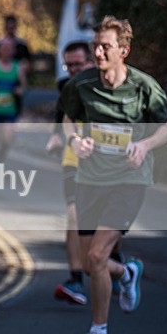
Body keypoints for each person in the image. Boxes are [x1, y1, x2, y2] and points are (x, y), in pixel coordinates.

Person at [60, 16, 167, 334]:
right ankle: (127, 272)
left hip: (128, 181)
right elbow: (67, 121)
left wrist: (144, 146)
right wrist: (76, 141)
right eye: (95, 45)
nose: (97, 51)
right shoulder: (81, 84)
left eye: (105, 46)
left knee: (96, 255)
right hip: (89, 180)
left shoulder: (143, 87)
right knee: (87, 261)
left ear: (124, 50)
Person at [46, 42, 125, 305]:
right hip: (74, 159)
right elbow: (62, 115)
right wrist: (56, 137)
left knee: (104, 223)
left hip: (105, 163)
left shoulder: (110, 86)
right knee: (74, 214)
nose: (72, 70)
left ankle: (116, 264)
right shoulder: (67, 87)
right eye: (68, 65)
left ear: (92, 62)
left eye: (78, 64)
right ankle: (76, 280)